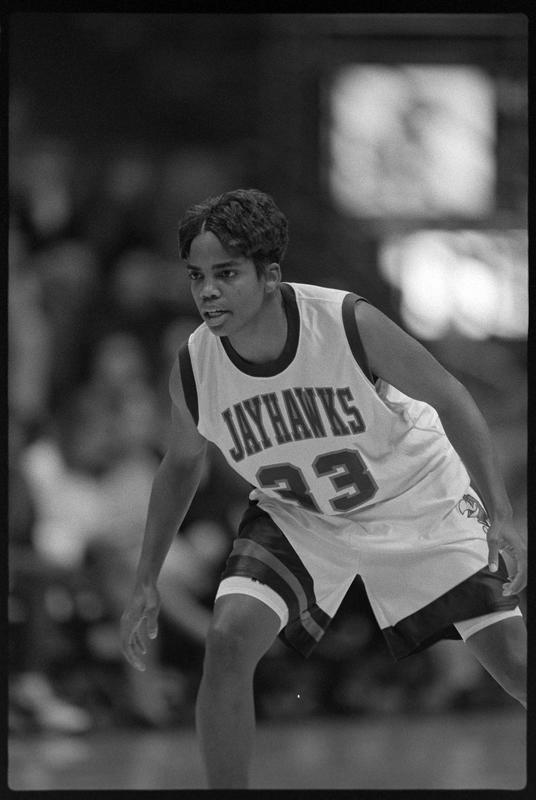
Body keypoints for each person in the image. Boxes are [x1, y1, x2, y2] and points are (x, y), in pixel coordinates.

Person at [120, 188, 526, 789]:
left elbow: (451, 397)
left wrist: (501, 512)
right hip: (303, 515)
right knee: (227, 640)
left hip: (417, 498)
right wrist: (145, 578)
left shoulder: (345, 322)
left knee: (515, 664)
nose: (207, 291)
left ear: (270, 276)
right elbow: (181, 464)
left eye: (226, 274)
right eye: (196, 276)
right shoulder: (194, 365)